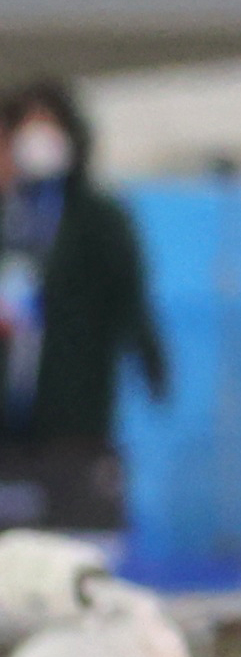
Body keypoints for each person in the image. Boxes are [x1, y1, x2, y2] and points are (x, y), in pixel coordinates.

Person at [0, 84, 166, 536]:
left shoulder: (97, 217)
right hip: (8, 422)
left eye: (48, 126)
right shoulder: (8, 214)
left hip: (73, 418)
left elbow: (129, 295)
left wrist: (150, 357)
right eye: (26, 127)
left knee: (79, 536)